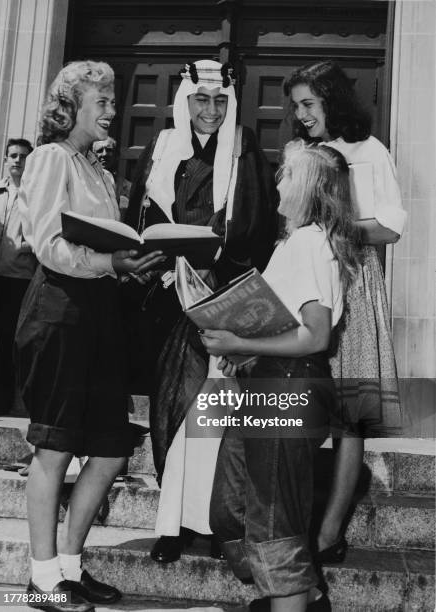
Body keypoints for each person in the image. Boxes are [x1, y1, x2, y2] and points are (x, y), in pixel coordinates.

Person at [15, 60, 165, 612]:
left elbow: (103, 249)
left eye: (112, 100)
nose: (111, 111)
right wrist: (111, 261)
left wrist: (132, 262)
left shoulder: (99, 171)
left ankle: (71, 567)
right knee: (54, 446)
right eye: (100, 101)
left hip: (100, 313)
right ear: (71, 106)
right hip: (59, 311)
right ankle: (40, 577)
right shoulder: (52, 158)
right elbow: (49, 245)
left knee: (109, 449)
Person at [124, 59, 278, 562]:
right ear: (184, 102)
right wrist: (159, 264)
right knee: (170, 410)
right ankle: (172, 526)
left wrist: (219, 267)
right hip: (168, 300)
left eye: (220, 101)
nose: (210, 111)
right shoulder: (163, 147)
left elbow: (258, 221)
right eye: (200, 100)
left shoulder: (246, 148)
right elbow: (140, 221)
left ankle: (215, 521)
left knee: (210, 415)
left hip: (223, 297)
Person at [204, 141, 361, 612]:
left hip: (289, 387)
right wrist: (245, 350)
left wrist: (240, 344)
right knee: (229, 514)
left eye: (288, 173)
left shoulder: (313, 243)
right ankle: (305, 595)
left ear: (311, 188)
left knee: (273, 524)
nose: (278, 180)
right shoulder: (294, 241)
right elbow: (283, 320)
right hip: (266, 385)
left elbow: (315, 337)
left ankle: (292, 596)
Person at [285, 60, 406, 561]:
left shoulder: (370, 151)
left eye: (308, 104)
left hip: (353, 286)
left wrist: (336, 228)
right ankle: (294, 524)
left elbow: (392, 227)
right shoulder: (305, 151)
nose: (301, 113)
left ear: (332, 101)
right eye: (296, 106)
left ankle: (329, 533)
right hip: (308, 285)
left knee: (347, 417)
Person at [0, 138, 35, 415]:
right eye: (13, 155)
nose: (17, 160)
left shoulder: (36, 196)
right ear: (6, 159)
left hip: (18, 278)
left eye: (23, 156)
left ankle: (2, 401)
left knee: (8, 342)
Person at [92, 137, 131, 214]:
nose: (104, 154)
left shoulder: (125, 186)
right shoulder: (85, 180)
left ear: (117, 155)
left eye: (109, 150)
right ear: (93, 155)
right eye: (100, 151)